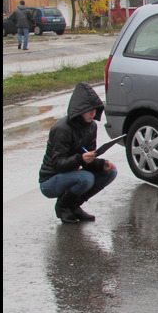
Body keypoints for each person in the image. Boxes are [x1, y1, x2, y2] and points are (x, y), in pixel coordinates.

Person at [39, 82, 117, 223]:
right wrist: (81, 159)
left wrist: (101, 164)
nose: (93, 114)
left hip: (73, 174)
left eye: (95, 110)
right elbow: (58, 164)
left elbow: (88, 159)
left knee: (110, 172)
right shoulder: (62, 129)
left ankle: (74, 206)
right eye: (89, 110)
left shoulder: (91, 126)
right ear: (79, 110)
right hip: (50, 180)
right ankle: (62, 207)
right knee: (85, 178)